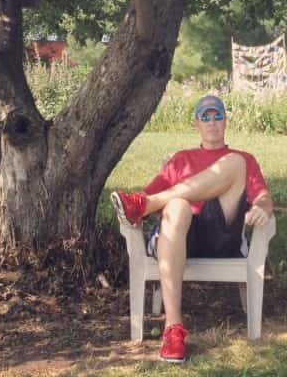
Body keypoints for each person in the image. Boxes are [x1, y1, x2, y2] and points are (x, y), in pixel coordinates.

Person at [111, 95, 274, 364]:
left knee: (234, 163)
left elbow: (264, 198)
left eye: (217, 115)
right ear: (196, 123)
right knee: (176, 206)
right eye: (205, 117)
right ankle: (173, 329)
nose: (212, 122)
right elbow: (145, 197)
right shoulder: (180, 160)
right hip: (176, 235)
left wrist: (262, 209)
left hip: (219, 232)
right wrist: (149, 203)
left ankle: (150, 205)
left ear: (225, 121)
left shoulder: (243, 159)